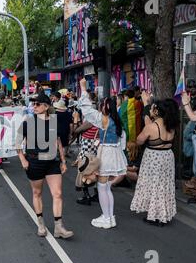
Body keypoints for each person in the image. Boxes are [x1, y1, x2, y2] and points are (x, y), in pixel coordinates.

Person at [17, 93, 73, 239]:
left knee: (58, 194)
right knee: (37, 193)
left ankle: (59, 227)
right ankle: (40, 223)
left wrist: (63, 160)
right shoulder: (28, 122)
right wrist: (23, 159)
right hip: (34, 162)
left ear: (46, 106)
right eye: (33, 104)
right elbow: (17, 142)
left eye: (37, 104)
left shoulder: (53, 122)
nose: (34, 106)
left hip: (52, 162)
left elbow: (57, 142)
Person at [77, 78, 127, 229]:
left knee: (101, 187)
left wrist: (83, 89)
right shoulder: (116, 120)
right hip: (115, 153)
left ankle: (107, 217)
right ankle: (110, 216)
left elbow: (87, 110)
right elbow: (122, 141)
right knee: (106, 188)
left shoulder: (105, 120)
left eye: (101, 105)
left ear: (105, 107)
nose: (99, 107)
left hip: (106, 153)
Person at [130, 99, 179, 226]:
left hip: (153, 157)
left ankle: (154, 216)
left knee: (153, 185)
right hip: (167, 156)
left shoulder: (151, 127)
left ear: (157, 111)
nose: (151, 110)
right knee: (164, 185)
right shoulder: (171, 126)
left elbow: (139, 140)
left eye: (152, 108)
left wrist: (147, 123)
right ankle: (163, 214)